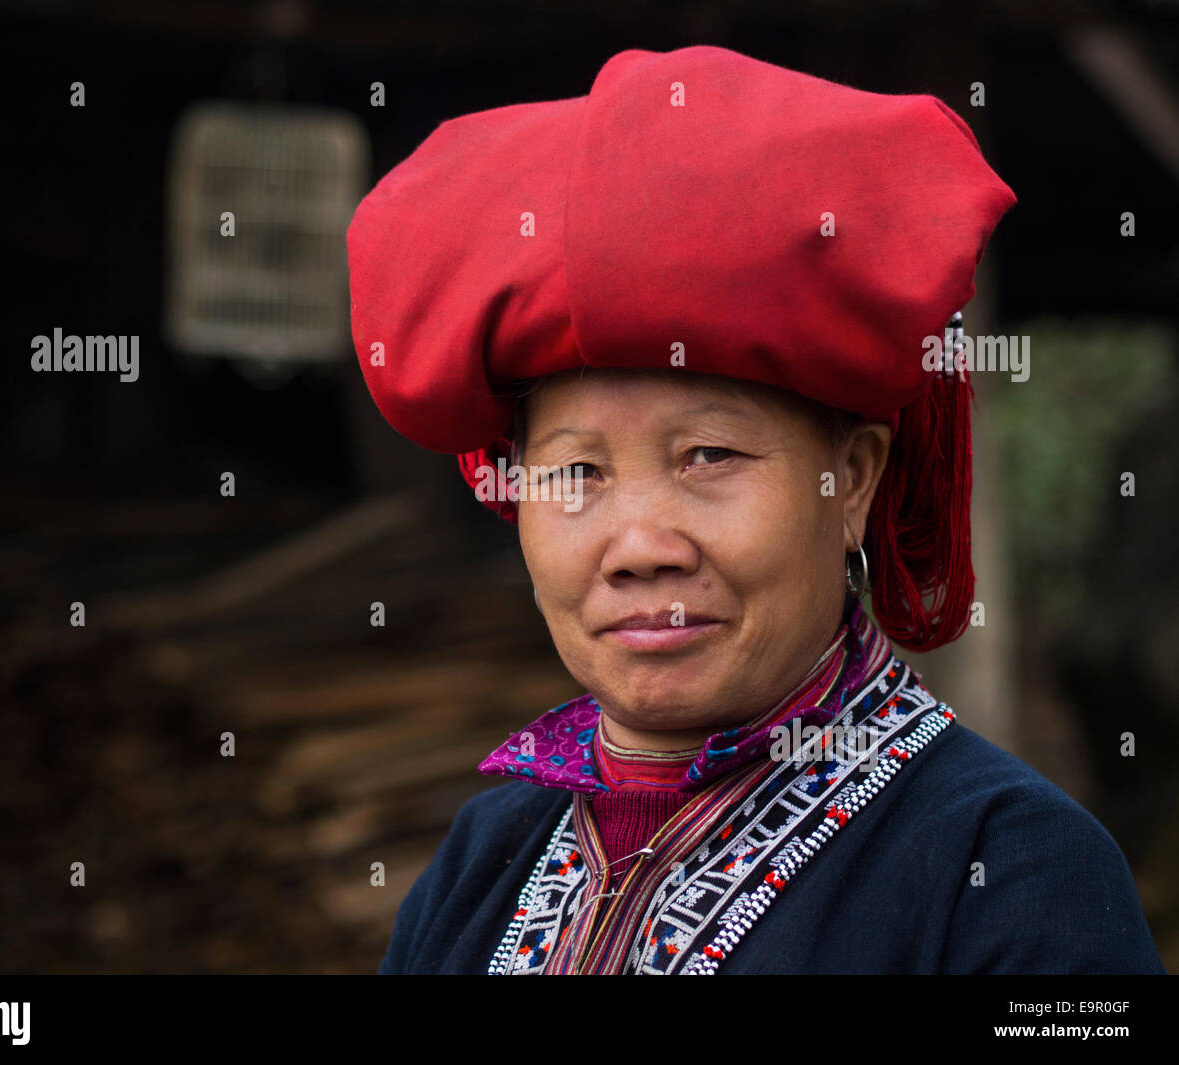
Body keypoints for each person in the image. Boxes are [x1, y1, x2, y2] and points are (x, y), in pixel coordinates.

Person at [346, 44, 1165, 974]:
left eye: (710, 455)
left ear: (852, 479)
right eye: (576, 474)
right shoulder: (486, 856)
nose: (640, 546)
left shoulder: (1013, 870)